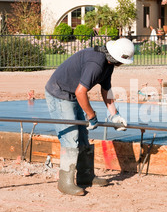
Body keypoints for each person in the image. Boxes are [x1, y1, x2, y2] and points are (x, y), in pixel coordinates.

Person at [45, 38, 135, 196]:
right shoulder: (96, 64)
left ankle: (85, 175)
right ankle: (65, 182)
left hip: (72, 93)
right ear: (115, 57)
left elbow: (106, 90)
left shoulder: (108, 65)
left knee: (82, 134)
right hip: (59, 92)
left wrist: (115, 115)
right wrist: (91, 115)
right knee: (70, 136)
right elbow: (81, 92)